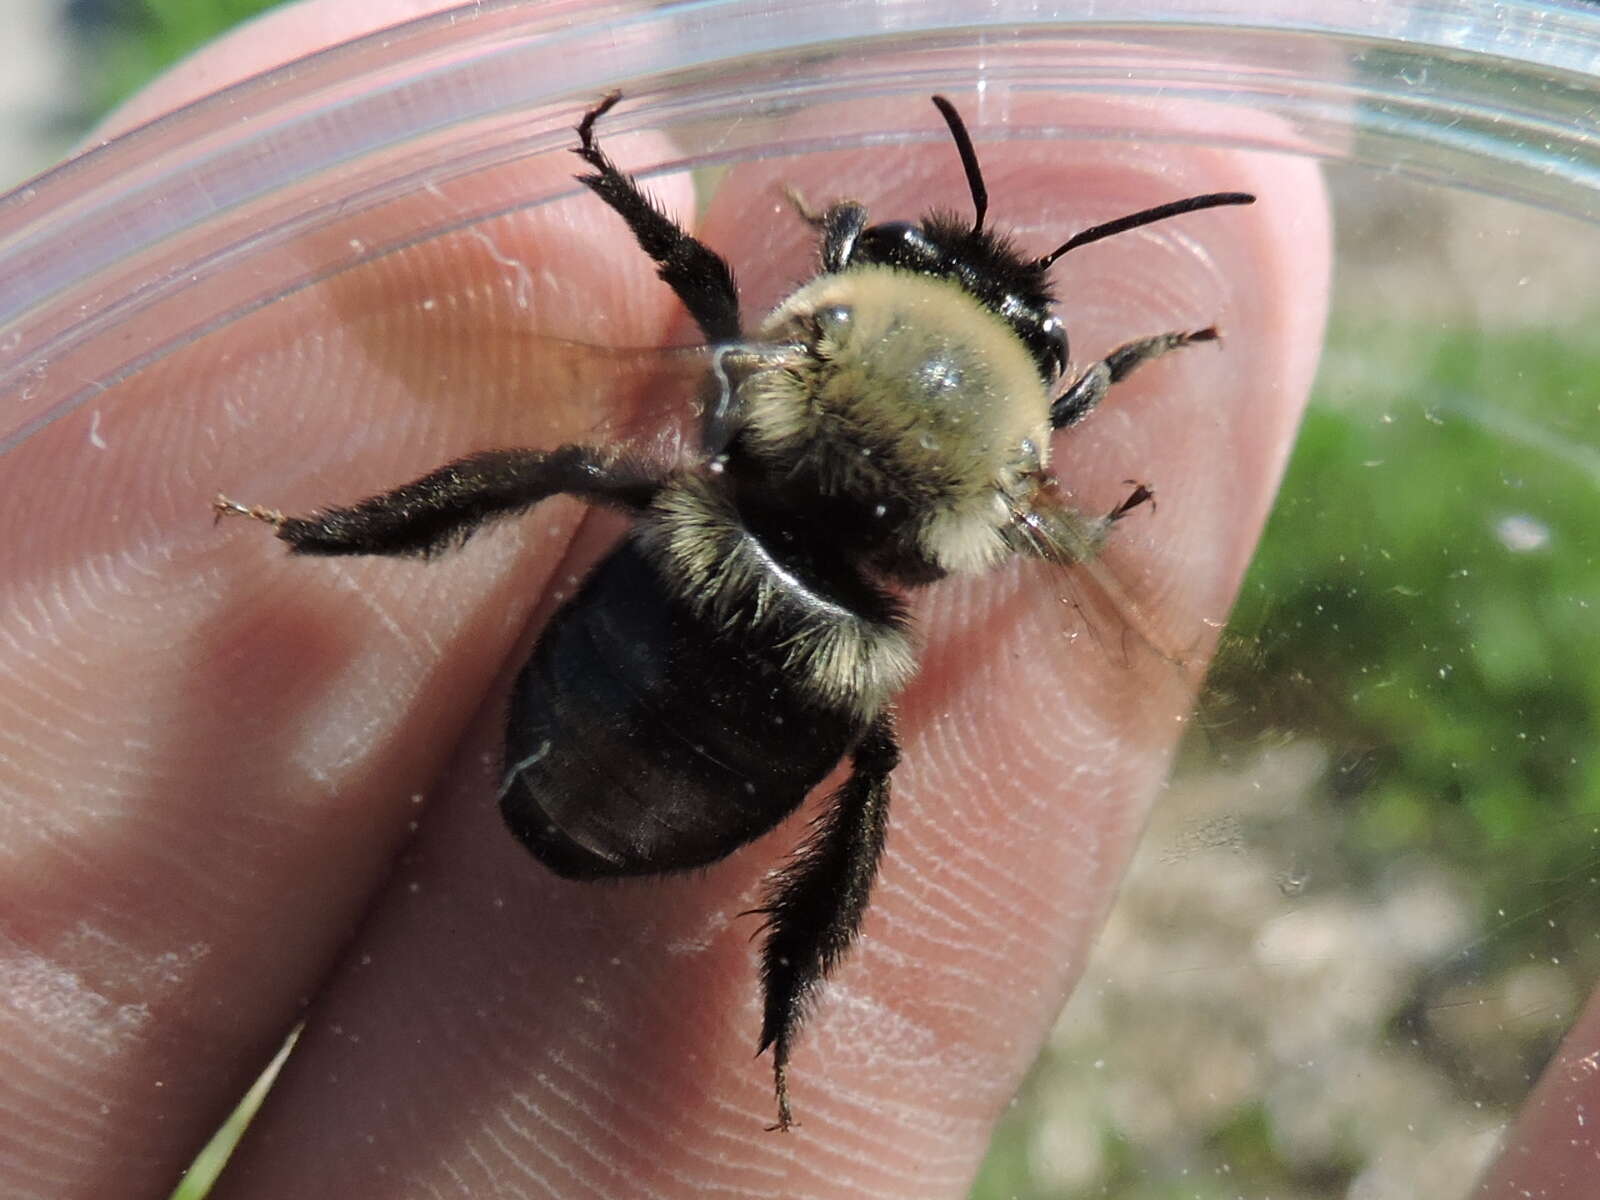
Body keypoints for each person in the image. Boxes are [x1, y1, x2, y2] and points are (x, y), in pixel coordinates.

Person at [45, 1, 1587, 1196]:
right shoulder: (1010, 481)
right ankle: (787, 1023)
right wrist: (1123, 380)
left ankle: (324, 539)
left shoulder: (801, 343)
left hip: (686, 595)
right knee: (877, 755)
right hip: (790, 691)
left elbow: (717, 305)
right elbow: (1042, 515)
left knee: (583, 471)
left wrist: (633, 201)